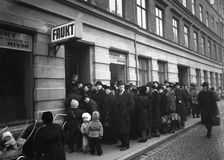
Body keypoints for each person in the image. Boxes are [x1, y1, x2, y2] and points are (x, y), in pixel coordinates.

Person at [113, 80, 135, 151]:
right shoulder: (117, 94)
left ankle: (126, 145)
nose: (121, 86)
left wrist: (125, 111)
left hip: (125, 116)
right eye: (120, 85)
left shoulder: (128, 94)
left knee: (125, 131)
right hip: (118, 116)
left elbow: (132, 105)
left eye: (122, 85)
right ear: (118, 87)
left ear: (124, 86)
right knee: (120, 131)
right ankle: (122, 143)